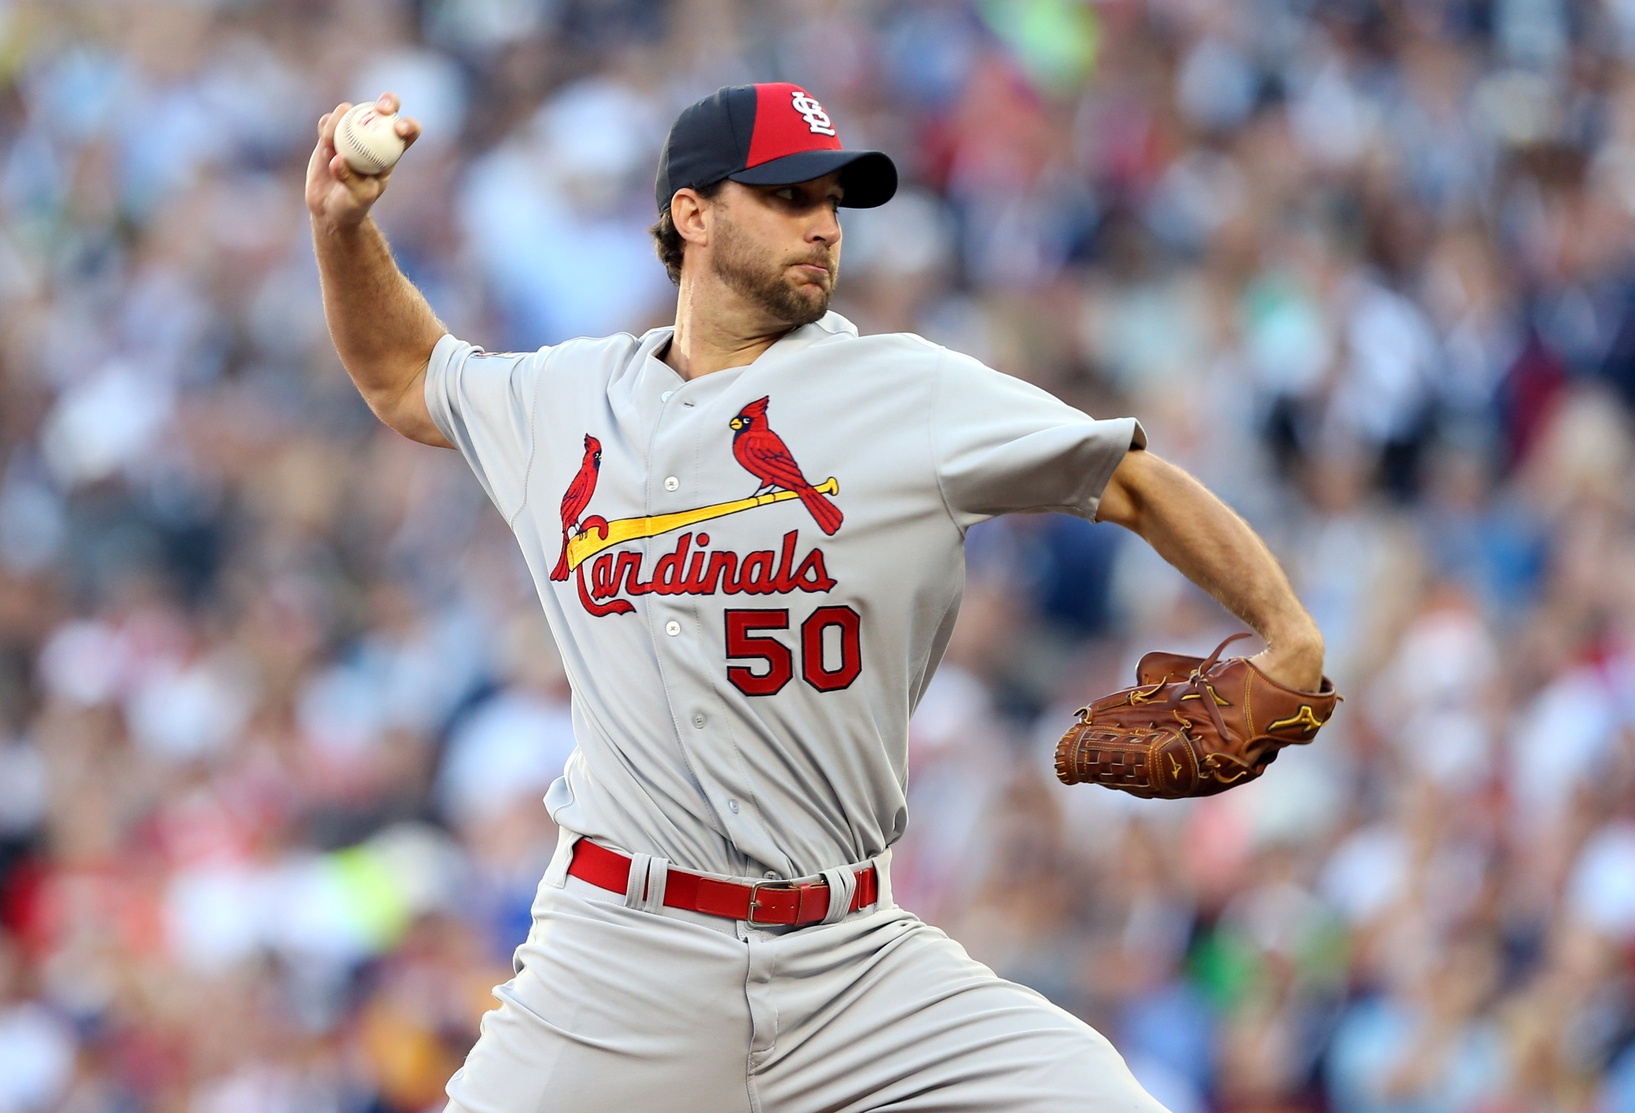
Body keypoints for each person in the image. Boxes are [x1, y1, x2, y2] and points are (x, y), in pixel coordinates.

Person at [306, 83, 1326, 1113]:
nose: (825, 226)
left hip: (853, 964)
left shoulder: (909, 393)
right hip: (619, 960)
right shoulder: (566, 399)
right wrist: (342, 224)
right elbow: (405, 378)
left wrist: (1288, 637)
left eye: (834, 201)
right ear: (693, 215)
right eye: (789, 197)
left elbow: (1136, 480)